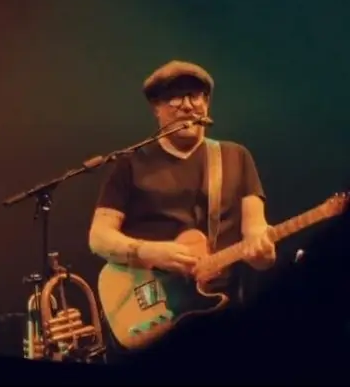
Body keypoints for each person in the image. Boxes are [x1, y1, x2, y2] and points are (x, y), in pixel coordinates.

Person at [87, 60, 276, 353]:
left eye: (196, 95)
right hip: (152, 313)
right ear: (156, 107)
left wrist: (261, 249)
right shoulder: (130, 164)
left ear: (207, 103)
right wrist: (148, 252)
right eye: (175, 97)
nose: (187, 105)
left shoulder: (235, 156)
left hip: (222, 316)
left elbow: (258, 239)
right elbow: (99, 237)